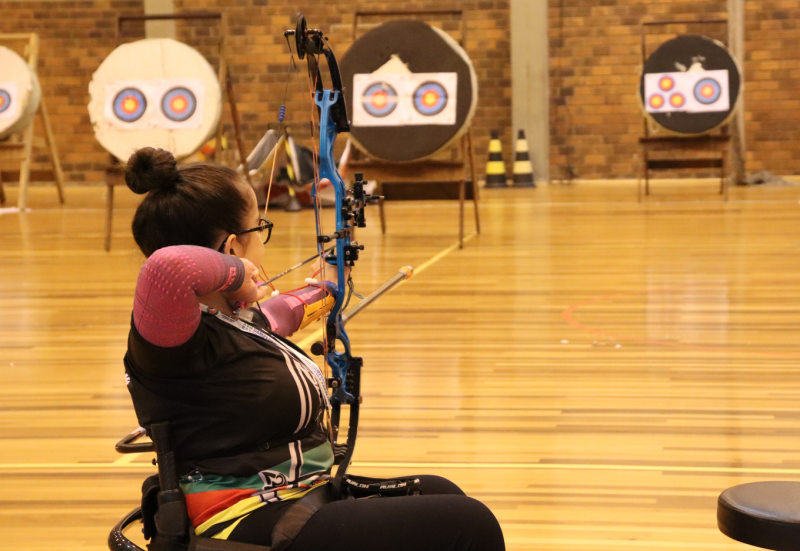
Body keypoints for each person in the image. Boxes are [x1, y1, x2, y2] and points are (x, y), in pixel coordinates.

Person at [123, 147, 505, 551]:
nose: (263, 240)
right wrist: (239, 274)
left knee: (438, 491)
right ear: (234, 246)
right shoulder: (170, 344)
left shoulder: (237, 323)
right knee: (466, 523)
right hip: (240, 515)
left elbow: (289, 310)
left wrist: (330, 280)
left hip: (298, 494)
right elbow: (166, 269)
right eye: (260, 227)